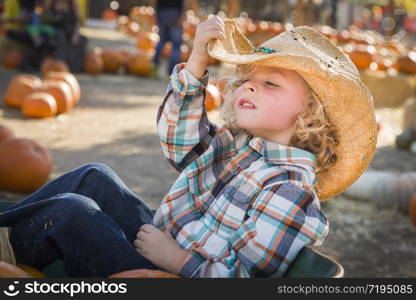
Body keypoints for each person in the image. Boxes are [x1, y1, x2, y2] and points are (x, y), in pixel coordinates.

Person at [0, 16, 377, 278]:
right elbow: (179, 145)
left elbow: (241, 279)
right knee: (94, 176)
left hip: (171, 274)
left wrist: (177, 259)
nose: (248, 86)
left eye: (271, 84)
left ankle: (8, 251)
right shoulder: (239, 146)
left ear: (308, 114)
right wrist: (196, 62)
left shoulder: (290, 191)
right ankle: (7, 238)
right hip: (161, 244)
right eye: (249, 79)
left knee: (73, 213)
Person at [150, 0, 197, 77]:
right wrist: (183, 13)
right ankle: (172, 73)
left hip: (161, 12)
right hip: (175, 13)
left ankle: (153, 66)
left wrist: (155, 14)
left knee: (162, 40)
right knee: (176, 44)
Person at [45, 0, 87, 72]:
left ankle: (73, 67)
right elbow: (45, 17)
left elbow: (77, 21)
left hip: (69, 30)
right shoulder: (52, 3)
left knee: (83, 39)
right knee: (60, 37)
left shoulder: (73, 4)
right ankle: (59, 63)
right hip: (55, 30)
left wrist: (75, 35)